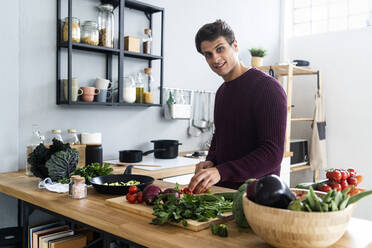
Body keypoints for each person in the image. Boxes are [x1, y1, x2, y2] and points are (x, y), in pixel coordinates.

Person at [188, 20, 287, 194]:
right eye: (208, 54)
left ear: (234, 45)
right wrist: (211, 161)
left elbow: (272, 154)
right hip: (223, 195)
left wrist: (221, 171)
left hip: (259, 197)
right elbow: (220, 137)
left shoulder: (267, 88)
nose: (215, 59)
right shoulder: (221, 93)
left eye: (220, 49)